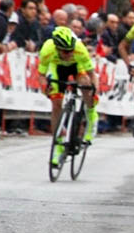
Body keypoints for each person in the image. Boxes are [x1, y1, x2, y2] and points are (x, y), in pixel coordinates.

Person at [38, 25, 97, 165]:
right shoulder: (47, 49)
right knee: (56, 104)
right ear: (57, 48)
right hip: (56, 67)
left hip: (77, 67)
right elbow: (41, 75)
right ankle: (57, 145)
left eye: (71, 50)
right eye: (65, 51)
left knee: (85, 83)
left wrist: (93, 93)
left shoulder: (79, 49)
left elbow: (92, 75)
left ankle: (91, 116)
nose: (69, 53)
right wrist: (45, 87)